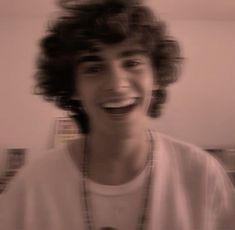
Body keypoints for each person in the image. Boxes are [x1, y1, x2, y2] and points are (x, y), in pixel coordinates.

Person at [1, 0, 234, 229]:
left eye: (132, 62)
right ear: (73, 87)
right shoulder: (30, 189)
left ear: (156, 76)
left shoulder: (202, 175)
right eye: (94, 68)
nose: (116, 84)